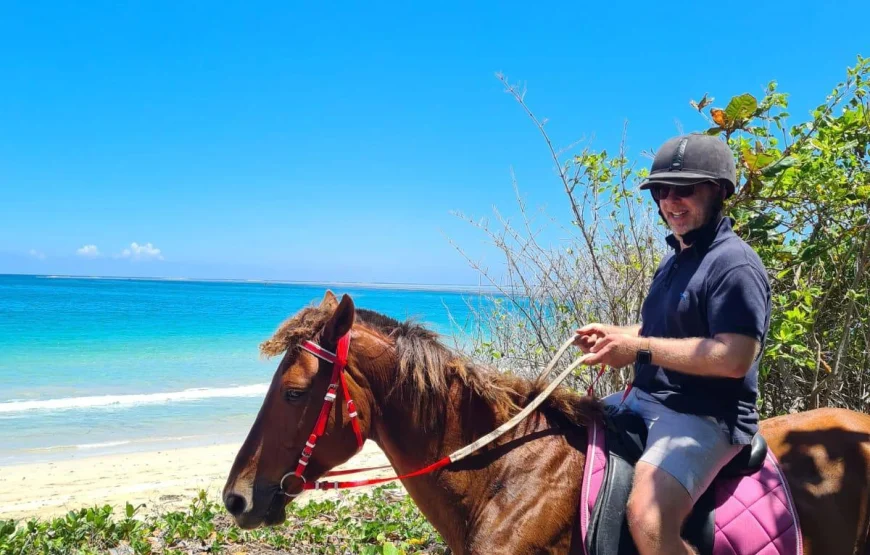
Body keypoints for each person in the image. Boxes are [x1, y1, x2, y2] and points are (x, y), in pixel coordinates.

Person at [575, 133, 772, 555]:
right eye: (661, 191)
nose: (670, 201)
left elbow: (734, 357)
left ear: (718, 191)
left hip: (705, 415)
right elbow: (659, 329)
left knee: (648, 519)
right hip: (647, 399)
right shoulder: (675, 259)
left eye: (684, 190)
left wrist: (638, 350)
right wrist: (613, 335)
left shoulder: (734, 264)